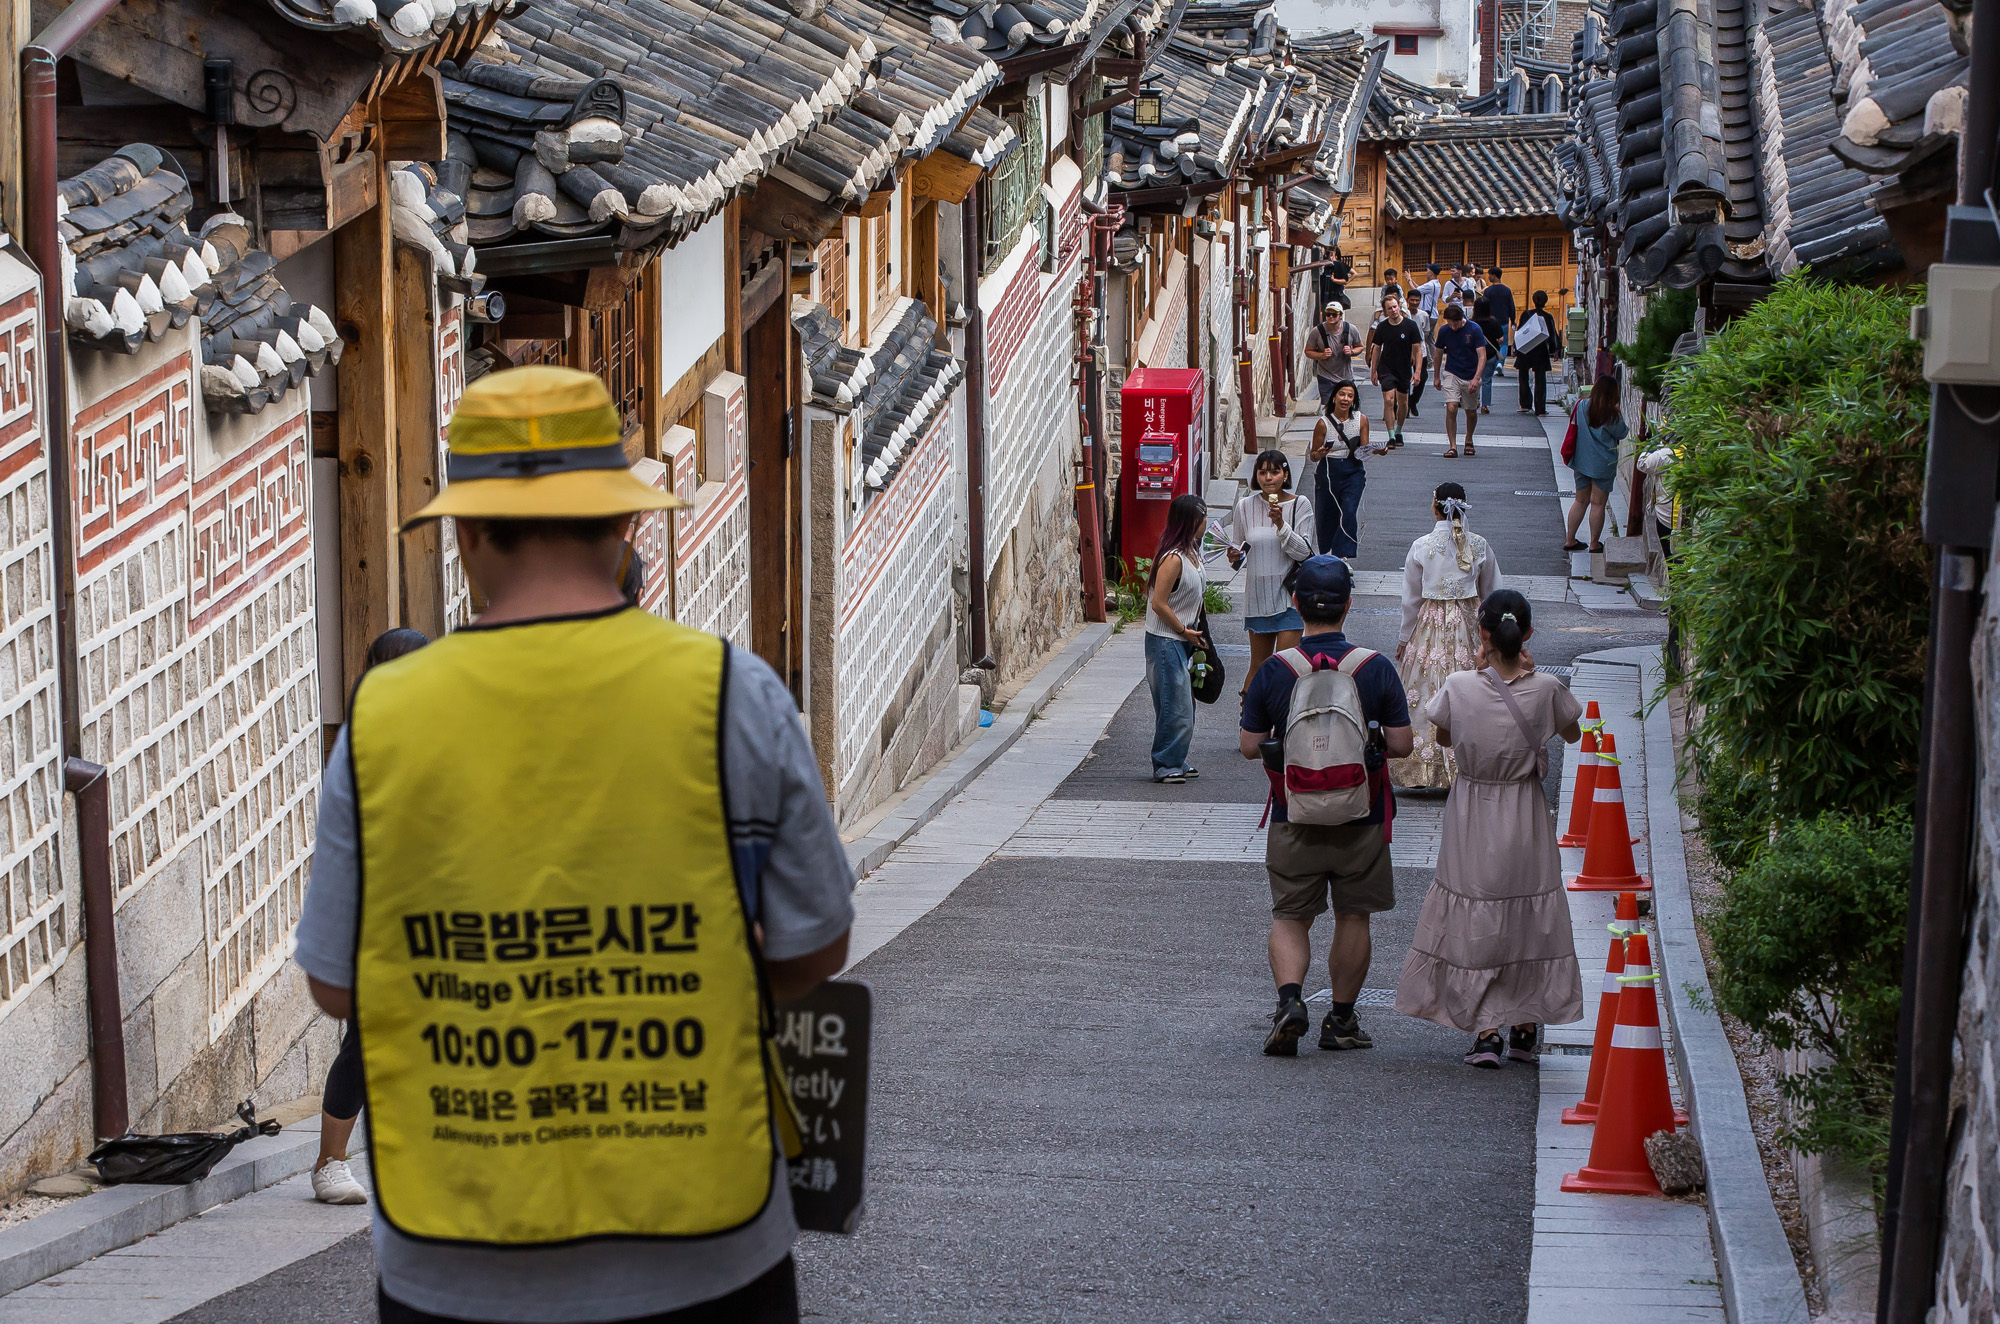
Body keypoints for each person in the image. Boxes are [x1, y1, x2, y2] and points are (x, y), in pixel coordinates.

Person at [291, 366, 855, 1324]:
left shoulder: (388, 716)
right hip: (705, 1249)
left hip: (457, 1255)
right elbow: (816, 947)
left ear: (465, 533)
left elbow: (336, 986)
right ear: (628, 526)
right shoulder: (733, 695)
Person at [1394, 589, 1585, 1067]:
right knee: (1527, 910)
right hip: (1524, 808)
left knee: (1477, 908)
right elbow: (1572, 732)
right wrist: (1533, 673)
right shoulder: (1546, 689)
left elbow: (1442, 736)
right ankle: (1525, 1025)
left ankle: (1487, 1030)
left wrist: (1480, 673)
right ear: (1527, 634)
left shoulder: (1460, 686)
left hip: (1473, 806)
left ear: (1482, 634)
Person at [1240, 557, 1413, 1056]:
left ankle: (1291, 1001)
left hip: (1294, 813)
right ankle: (1340, 1020)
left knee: (1291, 915)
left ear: (1295, 605)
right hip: (1363, 816)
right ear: (1348, 605)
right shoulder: (1374, 667)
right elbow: (1401, 745)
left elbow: (1251, 745)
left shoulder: (1276, 671)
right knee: (1353, 915)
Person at [310, 626, 433, 1208]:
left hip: (436, 913)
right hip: (377, 913)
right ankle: (330, 1163)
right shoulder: (360, 749)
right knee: (368, 1037)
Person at [1392, 483, 1499, 790]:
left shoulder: (1422, 545)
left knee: (1427, 684)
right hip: (1470, 623)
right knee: (1472, 685)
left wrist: (1404, 639)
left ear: (1434, 507)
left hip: (1430, 624)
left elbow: (1411, 599)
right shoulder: (1478, 545)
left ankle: (1425, 766)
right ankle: (1469, 764)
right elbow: (1492, 592)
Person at [1228, 451, 1314, 691]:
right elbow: (1239, 553)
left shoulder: (1300, 504)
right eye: (1262, 472)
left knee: (1285, 667)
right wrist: (1234, 556)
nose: (1268, 478)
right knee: (1258, 665)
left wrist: (1281, 525)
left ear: (1285, 474)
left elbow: (1304, 552)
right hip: (1257, 598)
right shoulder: (1245, 506)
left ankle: (1282, 720)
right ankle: (1249, 720)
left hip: (1288, 598)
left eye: (1275, 472)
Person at [1146, 493, 1210, 785]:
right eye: (1202, 517)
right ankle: (1165, 762)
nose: (1206, 523)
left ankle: (1177, 758)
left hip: (1183, 638)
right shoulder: (1173, 558)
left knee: (1184, 703)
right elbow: (1159, 603)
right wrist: (1183, 631)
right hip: (1166, 640)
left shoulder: (1193, 552)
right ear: (1190, 521)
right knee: (1175, 704)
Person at [1307, 380, 1374, 559]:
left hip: (1353, 471)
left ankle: (1342, 556)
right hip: (1328, 471)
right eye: (1342, 394)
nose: (1345, 399)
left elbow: (1364, 452)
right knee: (1327, 513)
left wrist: (1378, 451)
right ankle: (1328, 554)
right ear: (1335, 397)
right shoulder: (1323, 423)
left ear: (1354, 400)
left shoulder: (1362, 420)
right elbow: (1312, 456)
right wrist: (1320, 453)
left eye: (1350, 396)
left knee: (1349, 511)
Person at [1564, 376, 1630, 553]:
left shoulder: (1581, 405)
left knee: (1580, 500)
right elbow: (1622, 432)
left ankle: (1570, 539)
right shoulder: (1610, 413)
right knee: (1598, 504)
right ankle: (1594, 543)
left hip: (1581, 461)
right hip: (1603, 464)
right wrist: (1619, 412)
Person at [1368, 291, 1424, 449]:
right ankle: (1391, 435)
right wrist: (1373, 371)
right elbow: (1377, 349)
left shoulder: (1410, 325)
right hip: (1386, 368)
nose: (1393, 310)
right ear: (1385, 311)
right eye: (1389, 308)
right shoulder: (1382, 327)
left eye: (1395, 307)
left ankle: (1399, 430)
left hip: (1404, 368)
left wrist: (1417, 371)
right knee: (1388, 400)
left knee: (1403, 402)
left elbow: (1418, 349)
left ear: (1399, 307)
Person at [1431, 304, 1489, 458]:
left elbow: (1482, 356)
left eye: (1455, 323)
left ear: (1462, 318)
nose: (1452, 326)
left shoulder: (1474, 329)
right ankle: (1452, 446)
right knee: (1451, 407)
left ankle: (1469, 440)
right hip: (1452, 372)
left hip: (1470, 374)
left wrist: (1476, 379)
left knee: (1470, 411)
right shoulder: (1444, 331)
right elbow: (1438, 354)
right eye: (1449, 323)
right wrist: (1436, 376)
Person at [1301, 302, 1364, 409]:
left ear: (1340, 315)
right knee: (1329, 408)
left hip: (1346, 376)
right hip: (1326, 376)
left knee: (1346, 407)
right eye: (1328, 314)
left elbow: (1360, 346)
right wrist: (1321, 355)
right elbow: (1308, 351)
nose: (1330, 317)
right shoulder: (1317, 331)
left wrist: (1351, 352)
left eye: (1334, 314)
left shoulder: (1350, 329)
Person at [1516, 290, 1557, 416]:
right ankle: (1540, 408)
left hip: (1525, 348)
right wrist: (1554, 350)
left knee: (1523, 376)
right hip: (1540, 350)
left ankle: (1525, 404)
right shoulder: (1548, 317)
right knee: (1540, 379)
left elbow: (1520, 331)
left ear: (1533, 300)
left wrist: (1516, 348)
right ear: (1546, 302)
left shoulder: (1526, 314)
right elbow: (1552, 335)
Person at [1472, 297, 1506, 415]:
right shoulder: (1494, 322)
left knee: (1475, 378)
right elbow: (1501, 339)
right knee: (1487, 380)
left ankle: (1475, 400)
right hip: (1490, 354)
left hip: (1475, 355)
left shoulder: (1472, 323)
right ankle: (1484, 405)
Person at [1483, 267, 1516, 335]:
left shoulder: (1487, 291)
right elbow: (1511, 306)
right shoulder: (1507, 290)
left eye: (1490, 275)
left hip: (1491, 321)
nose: (1489, 277)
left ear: (1494, 276)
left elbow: (1484, 306)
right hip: (1504, 320)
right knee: (1504, 343)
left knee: (1493, 342)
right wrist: (1513, 320)